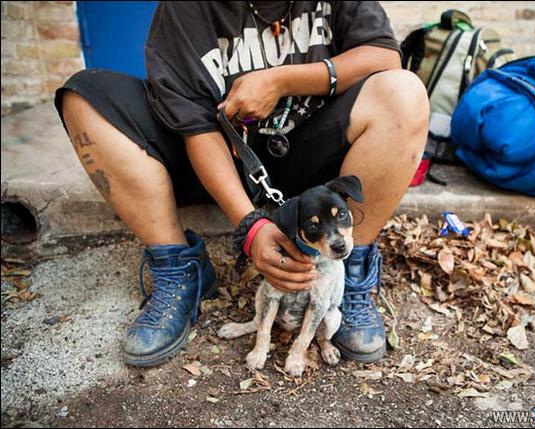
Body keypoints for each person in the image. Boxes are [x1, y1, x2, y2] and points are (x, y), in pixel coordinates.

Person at [54, 1, 429, 367]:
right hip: (215, 158)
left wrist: (282, 80)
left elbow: (383, 56)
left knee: (404, 91)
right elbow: (193, 123)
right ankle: (179, 267)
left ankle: (349, 273)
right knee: (85, 95)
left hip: (312, 158)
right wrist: (250, 226)